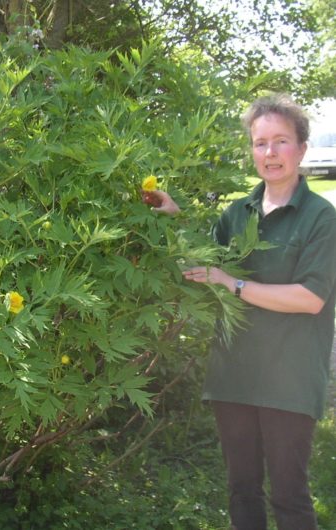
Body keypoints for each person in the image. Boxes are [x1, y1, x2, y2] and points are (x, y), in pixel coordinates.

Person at [145, 93, 336, 530]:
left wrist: (236, 284)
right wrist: (175, 219)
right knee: (241, 492)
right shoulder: (237, 213)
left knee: (290, 499)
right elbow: (205, 260)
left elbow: (311, 298)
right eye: (260, 142)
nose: (270, 153)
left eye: (281, 141)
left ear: (302, 149)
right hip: (234, 377)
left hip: (290, 382)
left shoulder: (321, 218)